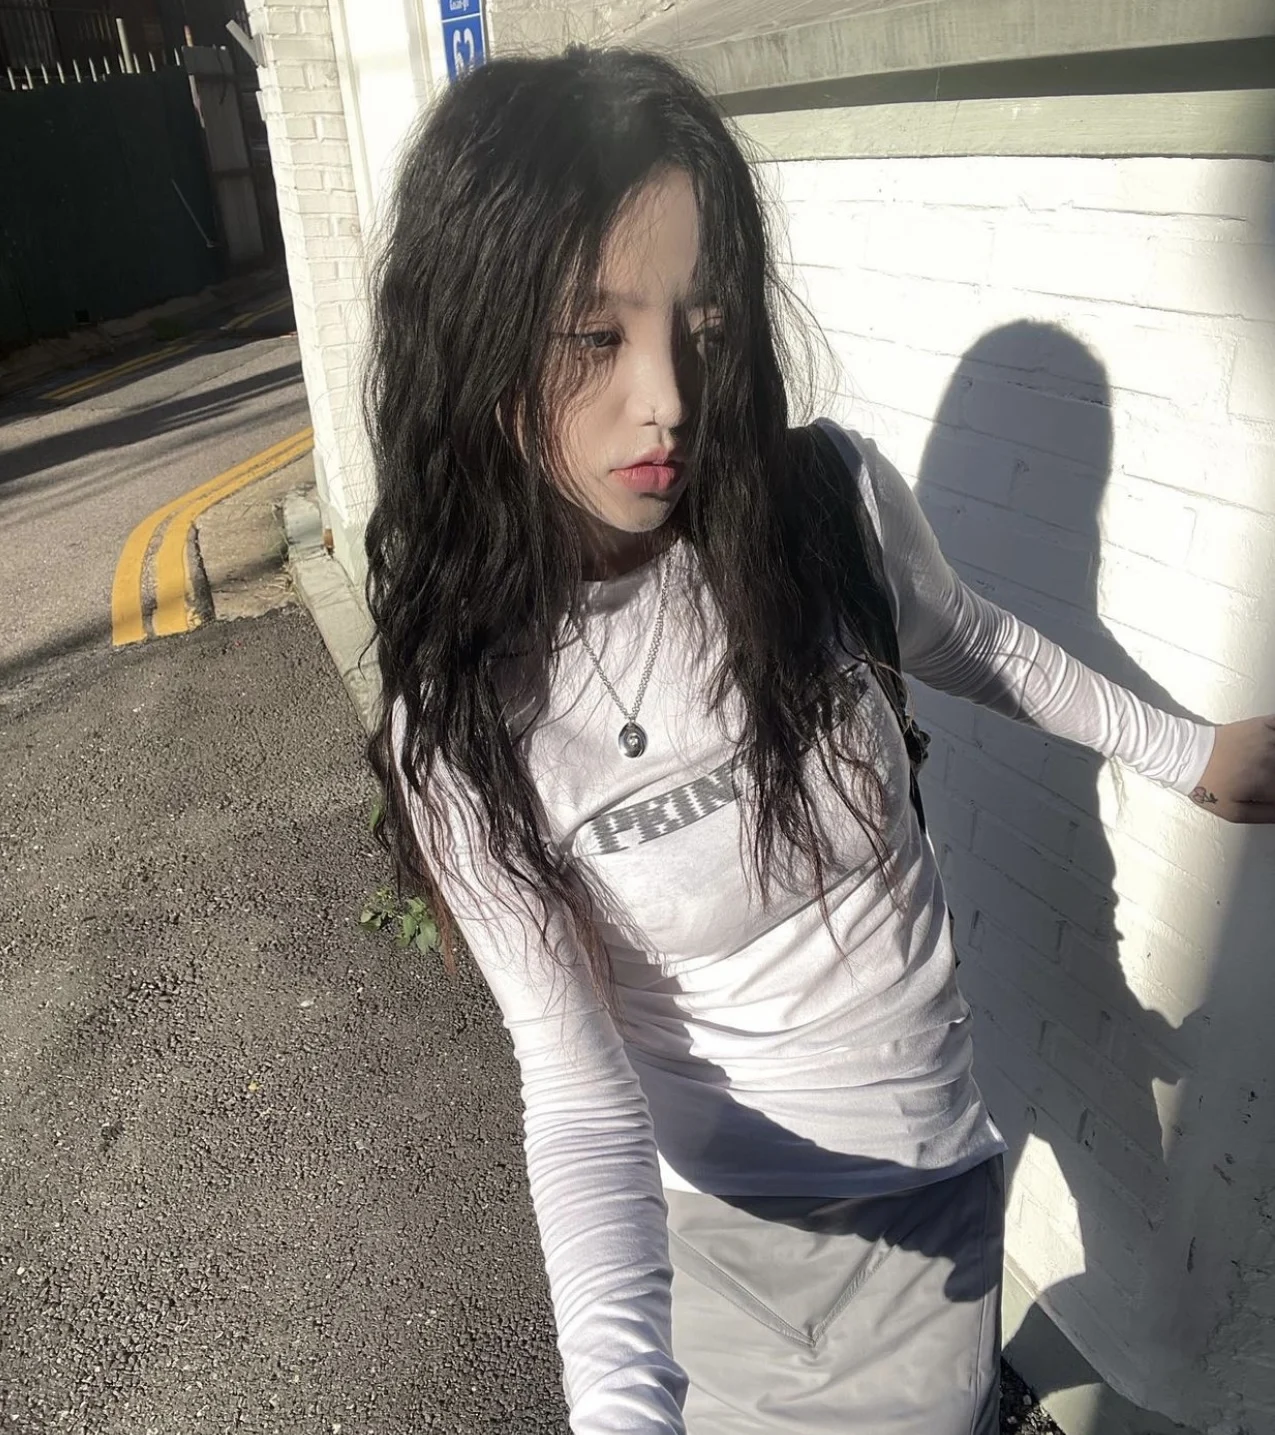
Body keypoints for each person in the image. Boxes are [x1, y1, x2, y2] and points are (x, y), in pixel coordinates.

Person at [362, 46, 1275, 1435]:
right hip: (752, 1248)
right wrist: (618, 1403)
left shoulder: (820, 506)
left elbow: (972, 641)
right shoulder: (470, 719)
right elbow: (578, 1096)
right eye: (594, 336)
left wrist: (1189, 754)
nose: (668, 398)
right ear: (474, 338)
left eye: (701, 324)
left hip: (948, 1157)